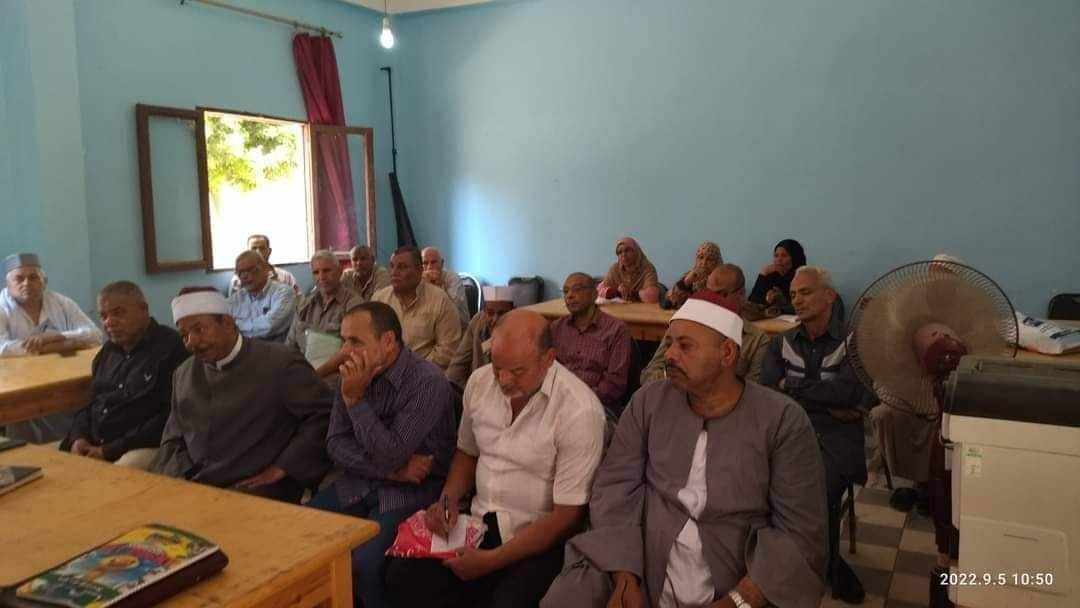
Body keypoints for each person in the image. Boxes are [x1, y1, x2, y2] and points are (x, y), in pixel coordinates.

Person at [542, 292, 828, 608]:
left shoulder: (783, 420)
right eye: (669, 344)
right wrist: (624, 575)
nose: (670, 355)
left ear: (727, 353)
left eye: (685, 346)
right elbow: (615, 487)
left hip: (736, 566)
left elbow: (799, 531)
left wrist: (737, 602)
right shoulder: (649, 401)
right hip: (644, 555)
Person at [384, 310, 607, 608]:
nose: (503, 380)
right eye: (497, 367)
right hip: (480, 522)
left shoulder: (579, 411)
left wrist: (489, 561)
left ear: (548, 358)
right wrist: (447, 501)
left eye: (517, 371)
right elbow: (467, 454)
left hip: (538, 538)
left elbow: (566, 517)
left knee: (506, 601)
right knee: (402, 575)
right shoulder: (479, 383)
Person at [307, 302, 459, 608]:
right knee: (302, 534)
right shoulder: (353, 373)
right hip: (362, 482)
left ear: (388, 341)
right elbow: (335, 444)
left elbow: (391, 453)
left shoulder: (427, 382)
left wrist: (355, 401)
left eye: (356, 341)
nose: (346, 351)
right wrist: (391, 471)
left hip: (413, 491)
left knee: (364, 564)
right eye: (344, 340)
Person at [152, 287, 332, 503]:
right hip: (194, 484)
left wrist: (284, 467)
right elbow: (173, 436)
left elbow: (322, 416)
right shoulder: (183, 373)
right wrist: (177, 477)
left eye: (199, 329)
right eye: (184, 335)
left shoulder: (279, 362)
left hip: (257, 487)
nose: (191, 342)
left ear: (228, 323)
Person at [760, 266, 868, 604]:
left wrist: (791, 386)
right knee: (756, 478)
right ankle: (774, 559)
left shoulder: (853, 341)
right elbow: (767, 390)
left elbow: (852, 393)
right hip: (790, 431)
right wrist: (826, 399)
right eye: (793, 294)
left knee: (812, 487)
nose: (797, 300)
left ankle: (827, 563)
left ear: (829, 296)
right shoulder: (781, 342)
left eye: (806, 292)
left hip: (836, 438)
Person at [59, 281, 187, 469]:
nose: (109, 322)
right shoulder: (107, 352)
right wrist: (78, 438)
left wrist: (108, 450)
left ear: (143, 309)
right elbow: (91, 404)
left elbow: (169, 417)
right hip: (95, 443)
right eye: (103, 316)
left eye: (118, 313)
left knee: (114, 475)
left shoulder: (172, 348)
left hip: (142, 446)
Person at [1, 252, 104, 443]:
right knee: (23, 424)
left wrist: (58, 338)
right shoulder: (1, 306)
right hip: (20, 385)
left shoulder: (61, 303)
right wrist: (59, 346)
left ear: (44, 282)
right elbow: (2, 349)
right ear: (8, 284)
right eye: (19, 278)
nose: (26, 283)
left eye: (33, 277)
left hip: (63, 380)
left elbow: (95, 335)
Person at [642, 264, 770, 385]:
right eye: (709, 293)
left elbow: (754, 392)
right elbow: (648, 374)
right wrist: (666, 380)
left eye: (722, 294)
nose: (713, 300)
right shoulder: (683, 327)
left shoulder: (757, 340)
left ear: (741, 294)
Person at [550, 272, 631, 412]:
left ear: (594, 294)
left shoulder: (616, 330)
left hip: (597, 406)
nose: (570, 295)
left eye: (577, 289)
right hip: (558, 403)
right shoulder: (556, 328)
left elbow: (614, 384)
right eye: (566, 291)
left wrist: (582, 400)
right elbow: (548, 370)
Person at [372, 247, 462, 370]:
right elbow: (370, 340)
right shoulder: (379, 298)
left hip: (424, 373)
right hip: (384, 371)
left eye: (402, 267)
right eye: (392, 266)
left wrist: (413, 371)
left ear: (419, 270)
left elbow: (448, 350)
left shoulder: (440, 300)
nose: (394, 272)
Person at [284, 250, 362, 378]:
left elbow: (350, 350)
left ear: (339, 271)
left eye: (326, 271)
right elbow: (290, 347)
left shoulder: (353, 304)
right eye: (316, 272)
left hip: (337, 377)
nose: (321, 277)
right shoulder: (304, 305)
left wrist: (314, 375)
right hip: (302, 374)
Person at [446, 286, 515, 390]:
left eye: (502, 314)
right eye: (490, 313)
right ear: (484, 311)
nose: (495, 319)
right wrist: (468, 393)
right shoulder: (477, 323)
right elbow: (457, 367)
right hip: (477, 390)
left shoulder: (521, 331)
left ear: (513, 311)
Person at [227, 250, 297, 342]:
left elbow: (269, 327)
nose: (244, 276)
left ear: (265, 268)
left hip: (274, 349)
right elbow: (222, 325)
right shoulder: (236, 299)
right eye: (240, 272)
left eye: (250, 270)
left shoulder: (284, 293)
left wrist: (234, 327)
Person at [227, 234, 300, 296]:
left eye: (262, 248)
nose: (258, 252)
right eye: (254, 248)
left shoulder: (286, 276)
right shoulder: (237, 280)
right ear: (247, 252)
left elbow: (299, 302)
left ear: (269, 251)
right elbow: (232, 306)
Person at [748, 239, 806, 316]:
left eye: (784, 256)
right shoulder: (771, 275)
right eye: (776, 255)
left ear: (794, 258)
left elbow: (803, 306)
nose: (779, 259)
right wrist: (763, 274)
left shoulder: (803, 277)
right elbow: (752, 303)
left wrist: (782, 302)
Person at [598, 237, 660, 304]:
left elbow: (653, 296)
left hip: (643, 308)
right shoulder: (615, 269)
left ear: (636, 252)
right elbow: (598, 290)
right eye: (619, 252)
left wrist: (631, 293)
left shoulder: (647, 268)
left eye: (627, 250)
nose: (623, 254)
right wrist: (617, 292)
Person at [666, 241, 722, 309]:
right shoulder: (690, 276)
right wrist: (685, 283)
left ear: (716, 262)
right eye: (701, 257)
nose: (704, 262)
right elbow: (670, 301)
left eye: (709, 259)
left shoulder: (722, 280)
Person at [422, 246, 471, 325]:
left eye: (433, 262)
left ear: (442, 263)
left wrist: (437, 283)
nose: (429, 267)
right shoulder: (420, 280)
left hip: (458, 326)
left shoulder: (454, 278)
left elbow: (450, 309)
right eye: (425, 263)